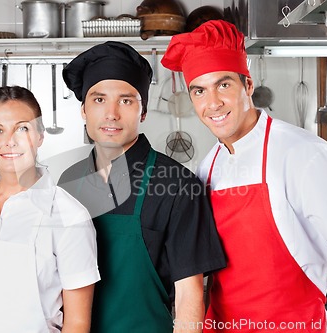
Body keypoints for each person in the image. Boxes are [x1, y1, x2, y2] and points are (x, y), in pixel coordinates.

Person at [161, 19, 327, 333]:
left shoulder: (304, 155)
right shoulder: (208, 165)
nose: (212, 103)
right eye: (199, 91)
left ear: (247, 86)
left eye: (223, 84)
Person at [58, 41, 226, 333]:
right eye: (99, 100)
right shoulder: (68, 184)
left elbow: (189, 295)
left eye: (126, 101)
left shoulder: (179, 185)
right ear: (83, 110)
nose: (111, 113)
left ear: (143, 112)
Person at [0, 86, 100, 333]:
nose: (10, 141)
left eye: (22, 128)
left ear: (40, 135)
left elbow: (76, 323)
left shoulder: (69, 217)